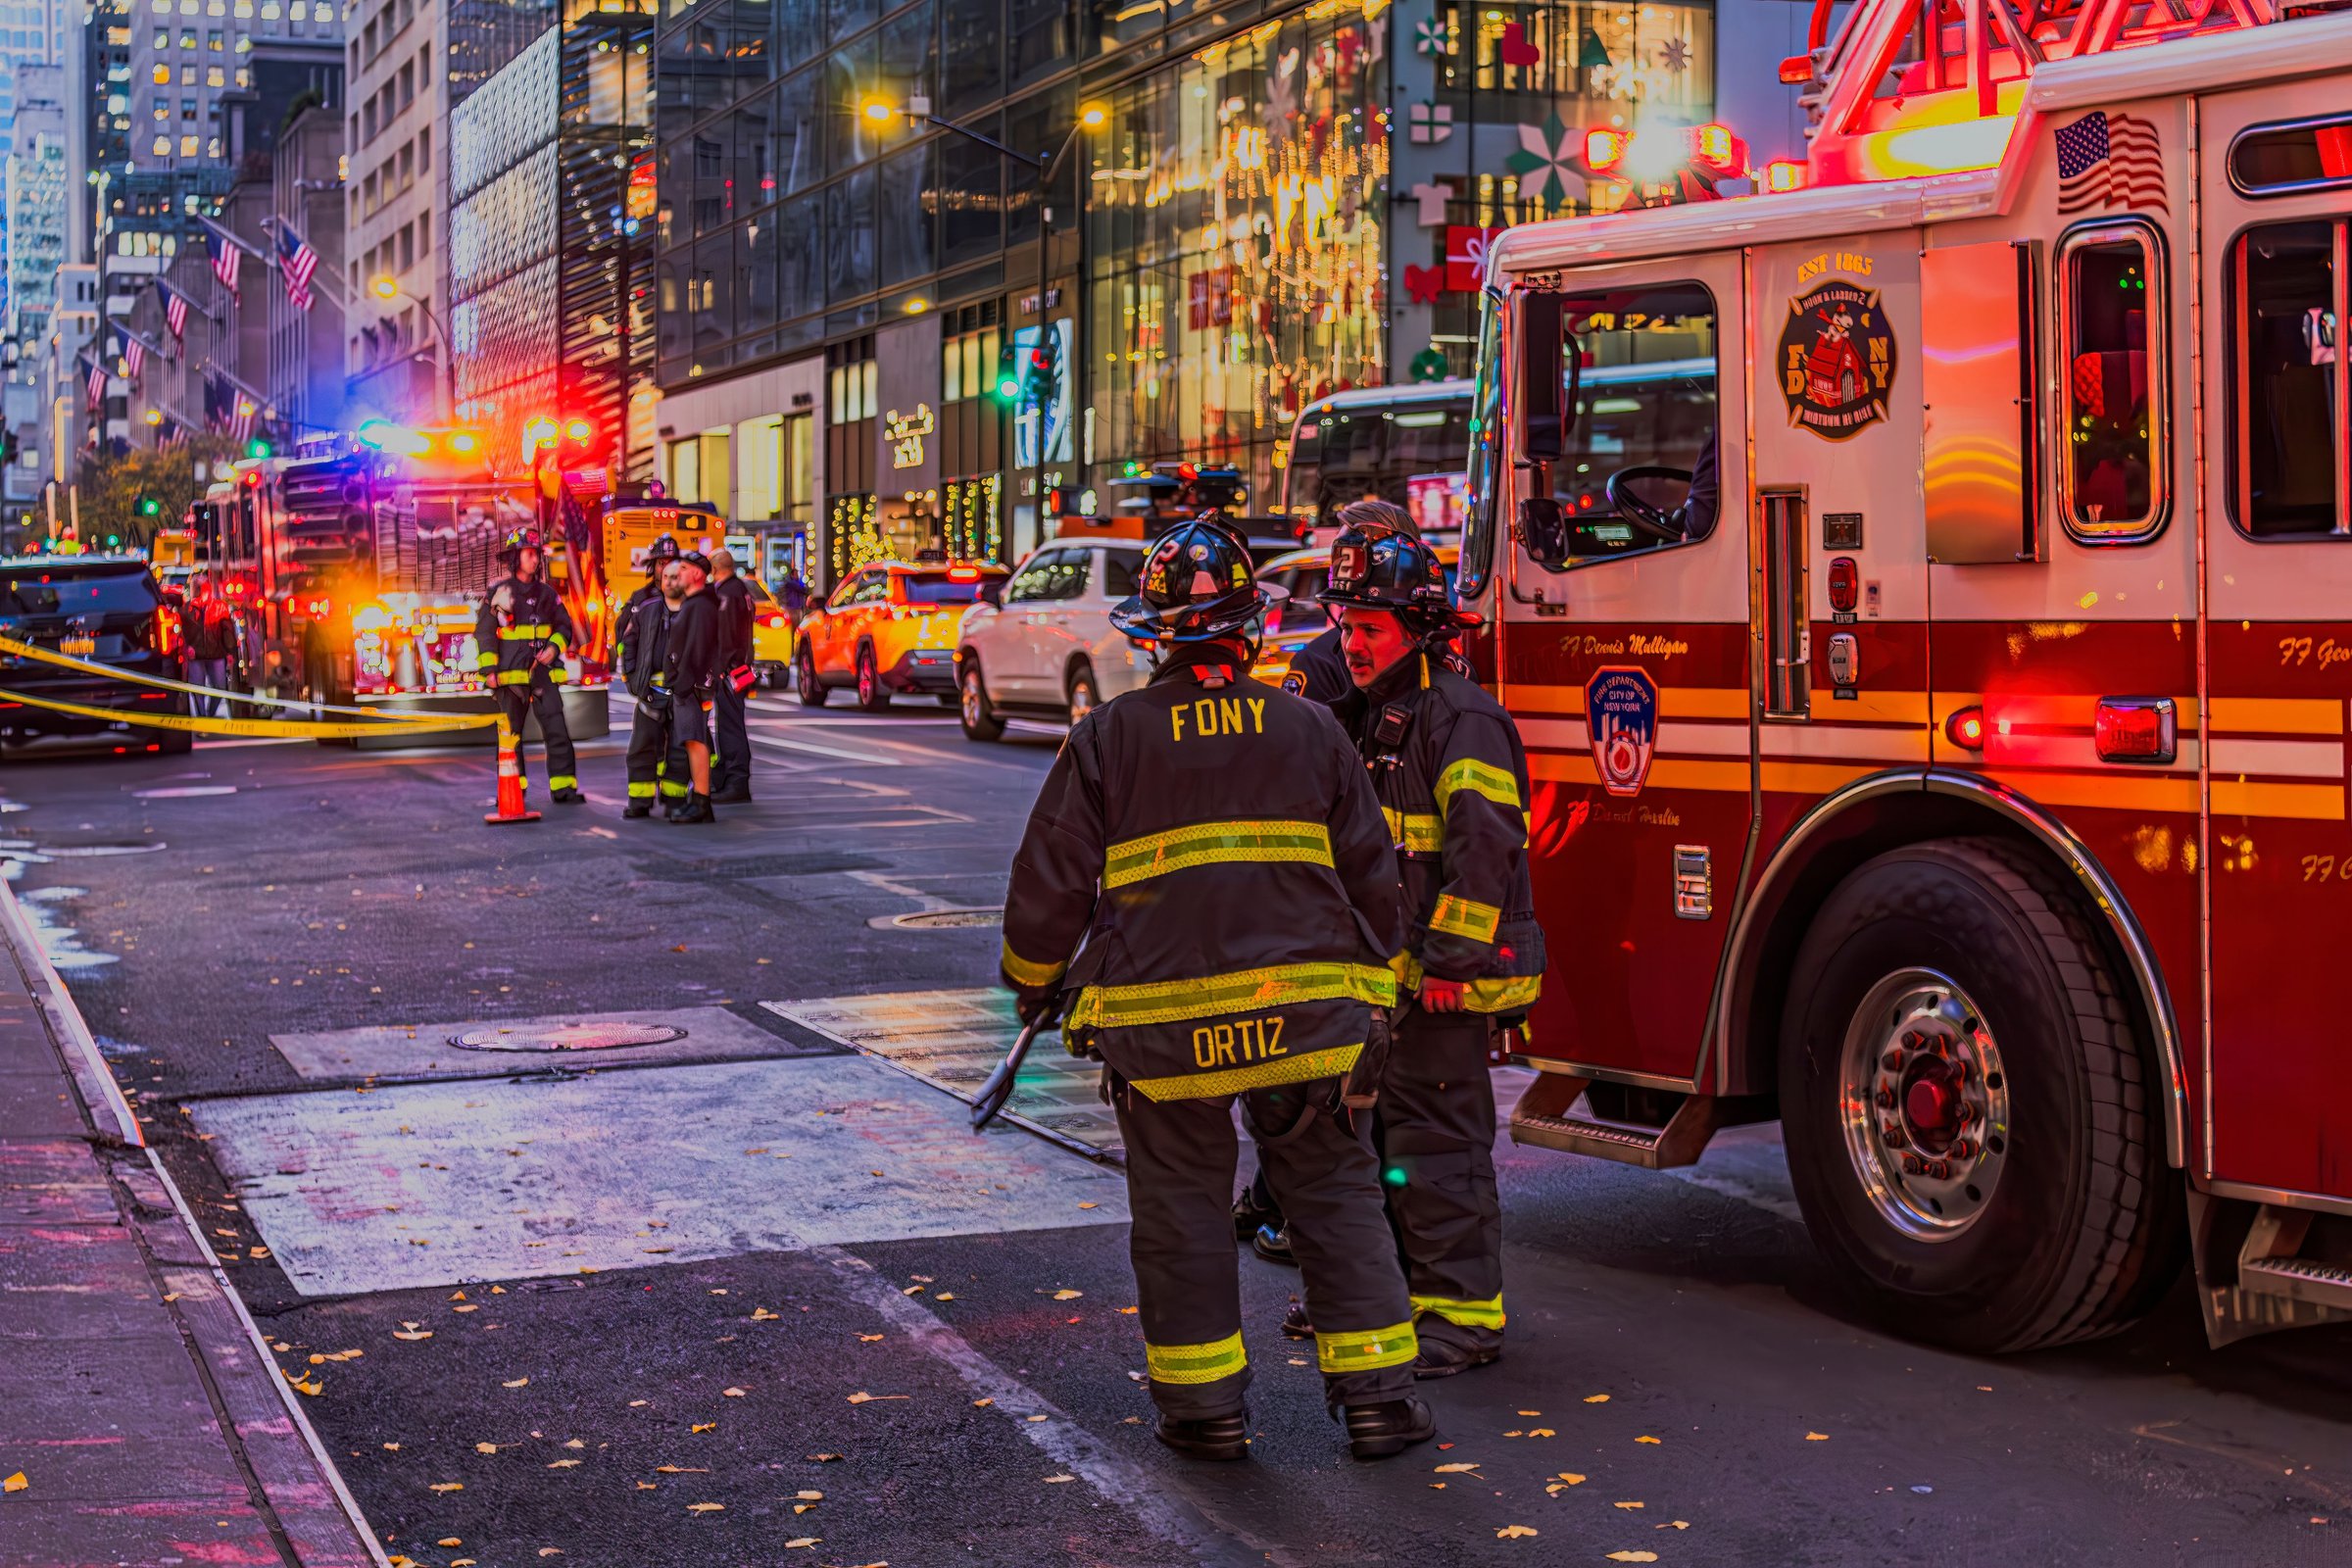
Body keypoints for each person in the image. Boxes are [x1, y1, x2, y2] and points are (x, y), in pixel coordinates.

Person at [999, 514, 1436, 1465]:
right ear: (1248, 634)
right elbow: (1374, 880)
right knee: (1334, 1190)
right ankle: (1380, 1402)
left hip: (1165, 1036)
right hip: (1309, 1026)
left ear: (1151, 636)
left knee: (1182, 1209)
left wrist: (1032, 986)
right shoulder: (1313, 728)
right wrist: (1383, 997)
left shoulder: (1108, 739)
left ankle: (1205, 1415)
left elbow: (1047, 889)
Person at [1311, 523, 1544, 1379]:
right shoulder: (1375, 718)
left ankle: (1461, 1320)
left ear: (1418, 627)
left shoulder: (1462, 719)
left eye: (1369, 627)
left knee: (1438, 1152)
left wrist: (1450, 963)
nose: (1352, 642)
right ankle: (1398, 1302)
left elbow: (1483, 847)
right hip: (1393, 986)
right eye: (1345, 624)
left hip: (1445, 984)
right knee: (1383, 1153)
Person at [1240, 498, 1430, 1267]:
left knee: (1359, 1075)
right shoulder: (1319, 665)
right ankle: (1284, 1204)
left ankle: (1281, 1200)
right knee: (1328, 1073)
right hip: (1336, 897)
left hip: (1385, 898)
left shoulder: (1420, 658)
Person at [473, 526, 583, 805]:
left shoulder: (547, 594)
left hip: (543, 675)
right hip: (510, 680)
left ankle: (564, 788)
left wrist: (554, 646)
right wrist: (490, 671)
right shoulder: (499, 593)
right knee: (511, 737)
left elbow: (564, 625)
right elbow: (485, 633)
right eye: (529, 554)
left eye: (536, 554)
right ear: (515, 557)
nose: (535, 559)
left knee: (557, 729)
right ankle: (513, 789)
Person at [618, 539, 687, 818]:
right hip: (650, 691)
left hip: (682, 691)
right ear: (654, 567)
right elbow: (626, 641)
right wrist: (632, 677)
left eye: (672, 564)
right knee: (643, 746)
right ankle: (639, 801)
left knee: (680, 748)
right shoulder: (640, 600)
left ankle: (675, 801)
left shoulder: (691, 599)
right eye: (662, 563)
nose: (667, 569)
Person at [660, 550, 722, 824]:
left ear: (697, 574)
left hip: (692, 688)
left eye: (683, 568)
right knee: (693, 741)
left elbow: (696, 650)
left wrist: (683, 683)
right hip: (690, 687)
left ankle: (701, 802)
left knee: (696, 742)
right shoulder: (696, 603)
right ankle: (699, 799)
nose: (678, 574)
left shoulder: (699, 606)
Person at [707, 548, 756, 805]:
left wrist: (720, 669)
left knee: (730, 727)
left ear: (716, 569)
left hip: (730, 672)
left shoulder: (726, 594)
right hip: (739, 669)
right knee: (729, 724)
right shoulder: (741, 591)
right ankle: (727, 777)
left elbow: (725, 637)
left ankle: (736, 781)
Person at [179, 576, 237, 718]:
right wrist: (187, 648)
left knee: (219, 687)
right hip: (196, 656)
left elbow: (227, 632)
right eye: (197, 589)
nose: (200, 593)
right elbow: (181, 633)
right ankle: (202, 716)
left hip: (216, 654)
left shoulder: (219, 607)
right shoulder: (185, 610)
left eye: (202, 589)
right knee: (198, 689)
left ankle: (209, 715)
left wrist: (230, 652)